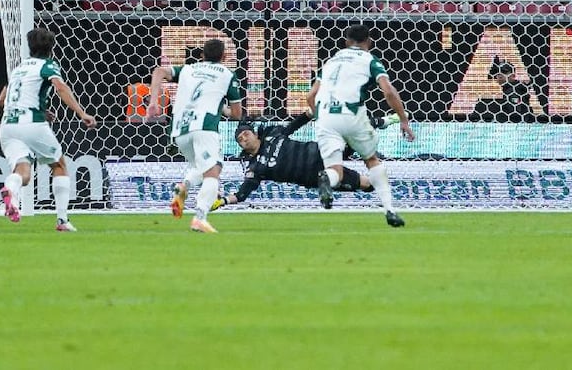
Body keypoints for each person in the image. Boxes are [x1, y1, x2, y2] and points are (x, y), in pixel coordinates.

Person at [305, 24, 415, 227]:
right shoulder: (370, 60)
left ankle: (326, 178)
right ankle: (390, 210)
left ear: (346, 41)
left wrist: (319, 118)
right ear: (369, 41)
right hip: (352, 113)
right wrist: (403, 119)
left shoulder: (331, 61)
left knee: (335, 170)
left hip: (326, 116)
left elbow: (311, 95)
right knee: (372, 160)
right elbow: (388, 92)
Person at [0, 28, 96, 232]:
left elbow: (1, 100)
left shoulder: (18, 69)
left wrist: (42, 108)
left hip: (8, 125)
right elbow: (60, 87)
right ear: (51, 48)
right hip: (31, 123)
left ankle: (10, 189)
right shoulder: (48, 65)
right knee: (59, 165)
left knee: (22, 171)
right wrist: (81, 113)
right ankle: (62, 220)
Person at [146, 38, 244, 233]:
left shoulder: (188, 69)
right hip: (205, 128)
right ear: (224, 57)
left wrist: (153, 101)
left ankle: (184, 186)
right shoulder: (227, 74)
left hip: (180, 130)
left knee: (202, 167)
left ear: (202, 56)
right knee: (213, 171)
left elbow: (158, 71)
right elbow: (237, 114)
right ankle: (200, 218)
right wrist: (222, 108)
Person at [211, 114, 391, 210]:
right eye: (240, 139)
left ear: (255, 133)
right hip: (312, 177)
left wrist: (311, 111)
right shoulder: (255, 168)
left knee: (351, 135)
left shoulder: (273, 134)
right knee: (367, 184)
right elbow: (242, 194)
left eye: (246, 134)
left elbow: (295, 124)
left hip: (321, 153)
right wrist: (223, 201)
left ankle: (383, 121)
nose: (244, 139)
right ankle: (327, 182)